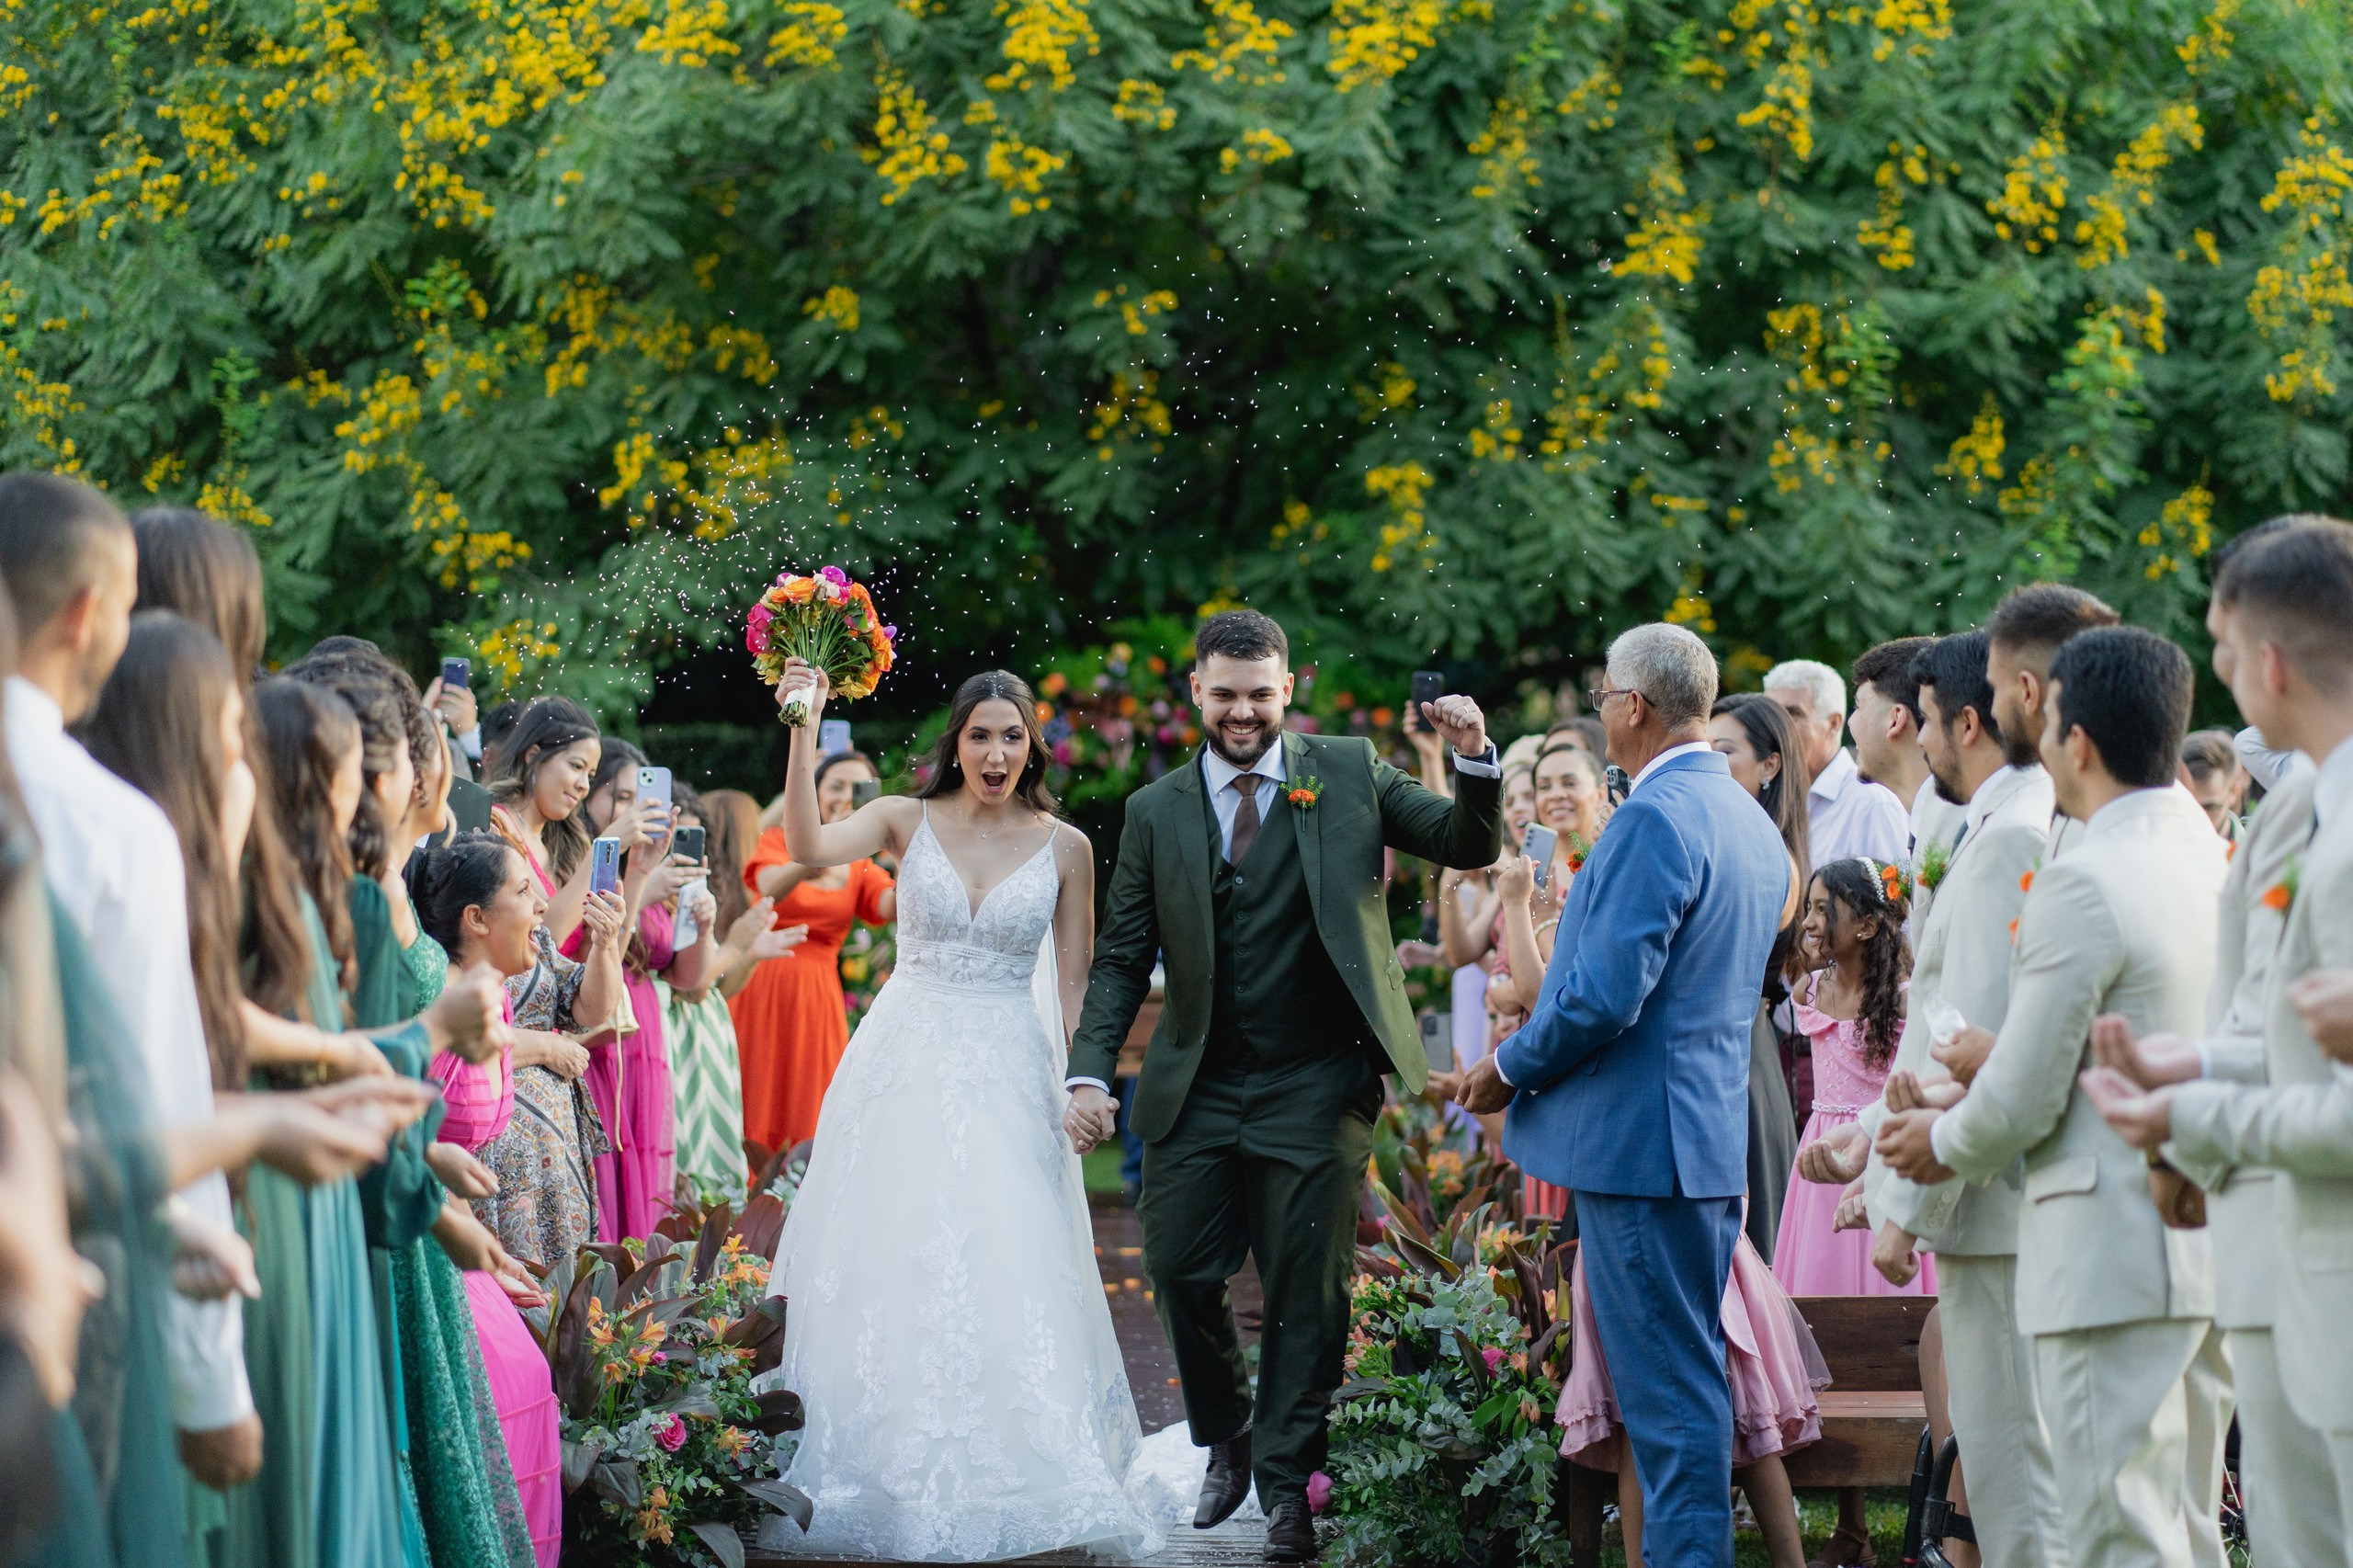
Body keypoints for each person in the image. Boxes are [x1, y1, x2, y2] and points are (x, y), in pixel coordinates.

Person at [1068, 609, 1504, 1562]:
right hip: (1196, 1079)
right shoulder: (1152, 814)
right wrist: (1089, 1068)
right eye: (1224, 693)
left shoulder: (1345, 772)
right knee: (1179, 1265)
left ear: (1287, 688)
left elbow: (1464, 844)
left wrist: (1473, 756)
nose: (1242, 711)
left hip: (1319, 1077)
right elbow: (1117, 961)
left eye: (1260, 693)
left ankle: (1288, 1489)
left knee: (1308, 1290)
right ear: (1195, 691)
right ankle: (1224, 1429)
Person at [755, 662, 1165, 1562]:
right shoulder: (908, 819)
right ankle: (883, 1459)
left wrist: (1085, 1081)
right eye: (979, 734)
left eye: (1011, 736)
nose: (994, 752)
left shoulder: (1065, 846)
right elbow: (811, 838)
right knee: (893, 1249)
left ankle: (1009, 1464)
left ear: (1032, 747)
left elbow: (1071, 981)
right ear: (956, 741)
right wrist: (802, 722)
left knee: (1004, 1249)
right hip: (903, 1057)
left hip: (1010, 1064)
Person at [1877, 626, 2226, 1568]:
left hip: (2102, 1236)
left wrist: (1931, 1144)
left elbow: (2024, 1096)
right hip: (2192, 1226)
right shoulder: (2202, 850)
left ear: (2072, 737)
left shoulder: (2079, 876)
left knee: (2090, 1515)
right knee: (2179, 1516)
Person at [1459, 622, 1787, 1568]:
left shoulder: (1652, 816)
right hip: (1704, 1138)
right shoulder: (1742, 815)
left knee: (1671, 1408)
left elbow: (1604, 992)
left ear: (1632, 705)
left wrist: (1509, 1064)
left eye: (1605, 692)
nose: (1601, 708)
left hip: (1646, 1150)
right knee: (1686, 1399)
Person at [2079, 516, 2353, 1562]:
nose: (2222, 672)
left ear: (2271, 661)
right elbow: (2270, 1019)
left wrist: (2182, 1114)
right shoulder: (2293, 810)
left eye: (2226, 648)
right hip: (2278, 1254)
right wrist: (2180, 1064)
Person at [0, 474, 262, 1494]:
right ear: (86, 615)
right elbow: (157, 1098)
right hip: (66, 1302)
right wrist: (210, 1384)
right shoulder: (111, 825)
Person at [1834, 630, 2064, 1568]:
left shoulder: (2008, 833)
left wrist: (1903, 1211)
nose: (1919, 743)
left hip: (1995, 1208)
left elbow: (1971, 1037)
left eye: (1926, 721)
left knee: (2018, 1485)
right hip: (1991, 1199)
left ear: (1968, 720)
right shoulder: (1982, 822)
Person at [412, 832, 590, 1568]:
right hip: (423, 1228)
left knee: (528, 1383)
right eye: (524, 891)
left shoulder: (485, 995)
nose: (543, 904)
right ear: (476, 919)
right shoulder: (433, 994)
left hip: (466, 1231)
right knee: (509, 1387)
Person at [574, 741, 718, 1239]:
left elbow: (687, 978)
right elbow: (593, 949)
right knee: (605, 1172)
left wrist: (703, 925)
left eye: (642, 797)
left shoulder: (651, 865)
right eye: (622, 797)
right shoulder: (584, 872)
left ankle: (634, 1308)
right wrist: (641, 885)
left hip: (645, 1036)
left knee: (643, 1180)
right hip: (598, 1037)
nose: (636, 809)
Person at [1772, 858, 1932, 1299]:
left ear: (1864, 926)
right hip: (1821, 1146)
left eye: (1823, 910)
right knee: (1819, 1278)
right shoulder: (1809, 989)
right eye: (1809, 908)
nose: (1808, 922)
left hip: (1881, 1145)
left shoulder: (1903, 1002)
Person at [730, 747, 896, 1156]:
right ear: (815, 792)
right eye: (835, 786)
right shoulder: (779, 840)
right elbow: (767, 888)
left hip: (816, 999)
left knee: (812, 1102)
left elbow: (892, 907)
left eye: (857, 789)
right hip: (761, 983)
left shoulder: (861, 866)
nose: (844, 796)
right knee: (754, 1092)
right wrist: (813, 854)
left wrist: (909, 854)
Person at [660, 786, 805, 1202]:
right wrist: (737, 948)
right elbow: (693, 984)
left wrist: (748, 954)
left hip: (707, 1030)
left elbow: (717, 985)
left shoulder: (709, 892)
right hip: (672, 1036)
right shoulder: (658, 895)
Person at [1709, 693, 1809, 1259]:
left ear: (1770, 765)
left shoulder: (1772, 857)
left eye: (1726, 753)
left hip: (1743, 1064)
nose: (1712, 767)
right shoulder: (1726, 842)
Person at [1983, 585, 2120, 859]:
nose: (1993, 710)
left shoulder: (2102, 824)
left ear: (2028, 692)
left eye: (1995, 689)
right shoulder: (2082, 801)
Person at [1765, 658, 1908, 866]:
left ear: (1833, 724)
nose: (1776, 726)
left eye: (1793, 714)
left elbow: (1894, 896)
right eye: (1771, 714)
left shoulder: (1871, 804)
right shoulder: (1769, 797)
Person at [1849, 637, 1962, 858]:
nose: (1851, 722)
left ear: (1895, 720)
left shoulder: (1956, 829)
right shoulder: (1927, 818)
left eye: (1859, 706)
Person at [2177, 728, 2246, 840]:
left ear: (2234, 792)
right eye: (2187, 805)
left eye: (2210, 808)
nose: (2197, 817)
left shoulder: (2257, 854)